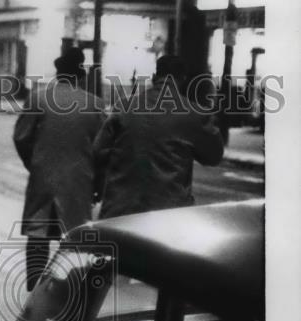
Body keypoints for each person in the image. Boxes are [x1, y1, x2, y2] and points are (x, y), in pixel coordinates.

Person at [13, 47, 105, 290]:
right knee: (76, 238)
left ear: (57, 72)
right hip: (79, 182)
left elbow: (21, 137)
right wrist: (98, 184)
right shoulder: (95, 105)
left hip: (44, 178)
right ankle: (71, 291)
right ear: (81, 75)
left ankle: (34, 291)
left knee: (38, 235)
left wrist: (34, 164)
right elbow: (103, 150)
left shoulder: (39, 97)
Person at [93, 54, 224, 220]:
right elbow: (214, 156)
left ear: (155, 77)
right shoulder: (195, 114)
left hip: (120, 213)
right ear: (182, 79)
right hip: (168, 217)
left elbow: (98, 150)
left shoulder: (124, 106)